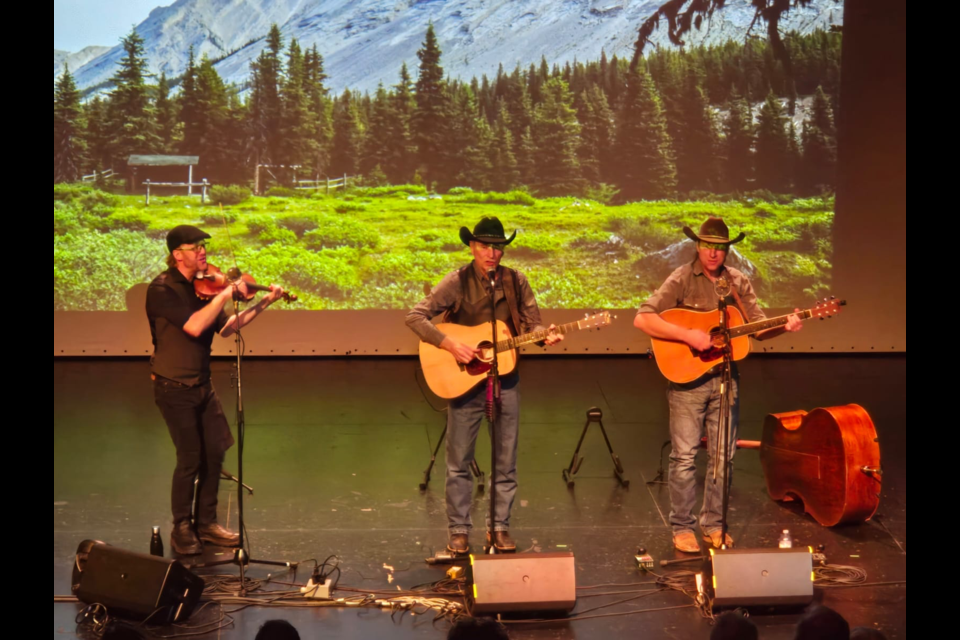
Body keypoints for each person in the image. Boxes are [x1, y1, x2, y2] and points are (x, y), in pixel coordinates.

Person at [634, 218, 803, 553]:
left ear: (727, 249)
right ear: (697, 246)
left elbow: (755, 328)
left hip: (726, 379)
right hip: (688, 382)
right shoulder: (682, 277)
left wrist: (785, 326)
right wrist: (688, 335)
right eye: (708, 245)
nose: (713, 253)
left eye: (720, 247)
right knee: (684, 457)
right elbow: (643, 317)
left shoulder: (737, 281)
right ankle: (682, 527)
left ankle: (713, 524)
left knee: (723, 456)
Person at [406, 217, 563, 554]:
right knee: (459, 460)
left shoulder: (516, 282)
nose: (492, 253)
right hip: (465, 381)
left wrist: (543, 337)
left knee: (506, 459)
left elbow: (533, 327)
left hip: (505, 379)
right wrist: (451, 345)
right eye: (485, 246)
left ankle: (499, 528)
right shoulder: (457, 281)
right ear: (472, 247)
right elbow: (415, 317)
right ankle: (459, 530)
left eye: (498, 247)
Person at [146, 225, 284, 555]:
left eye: (204, 246)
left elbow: (225, 328)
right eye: (195, 247)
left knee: (216, 451)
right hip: (173, 385)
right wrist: (226, 293)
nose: (202, 251)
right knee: (190, 458)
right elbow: (194, 326)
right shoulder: (162, 289)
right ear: (178, 254)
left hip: (202, 383)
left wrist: (264, 301)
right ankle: (182, 527)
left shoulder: (202, 287)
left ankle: (205, 524)